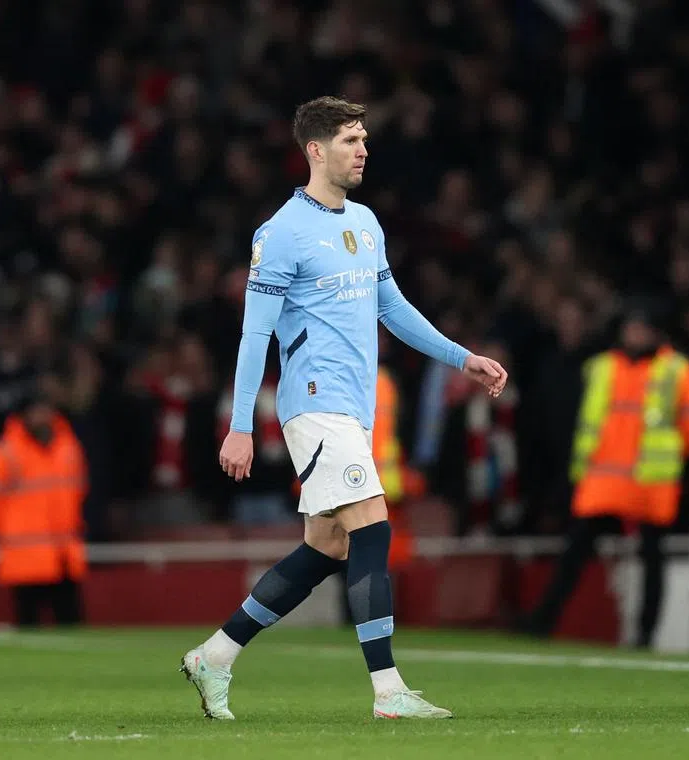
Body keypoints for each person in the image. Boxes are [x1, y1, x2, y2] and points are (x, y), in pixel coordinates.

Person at [180, 97, 508, 720]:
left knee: (326, 545)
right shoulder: (279, 234)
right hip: (313, 403)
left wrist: (462, 357)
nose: (363, 150)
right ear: (315, 150)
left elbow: (394, 310)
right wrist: (241, 425)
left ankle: (215, 656)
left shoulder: (366, 221)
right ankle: (388, 691)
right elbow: (255, 335)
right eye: (351, 140)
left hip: (353, 409)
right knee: (373, 524)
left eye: (364, 139)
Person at [520, 299, 689, 648]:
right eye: (630, 328)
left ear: (656, 332)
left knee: (650, 560)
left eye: (640, 328)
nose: (634, 334)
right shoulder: (604, 367)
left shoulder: (676, 371)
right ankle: (542, 622)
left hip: (648, 482)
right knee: (575, 555)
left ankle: (644, 635)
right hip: (606, 482)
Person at [0, 387, 88, 626]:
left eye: (46, 411)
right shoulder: (6, 453)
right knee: (29, 626)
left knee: (72, 625)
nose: (43, 417)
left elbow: (79, 493)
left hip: (64, 556)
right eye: (37, 411)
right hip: (25, 559)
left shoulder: (69, 448)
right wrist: (7, 533)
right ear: (23, 415)